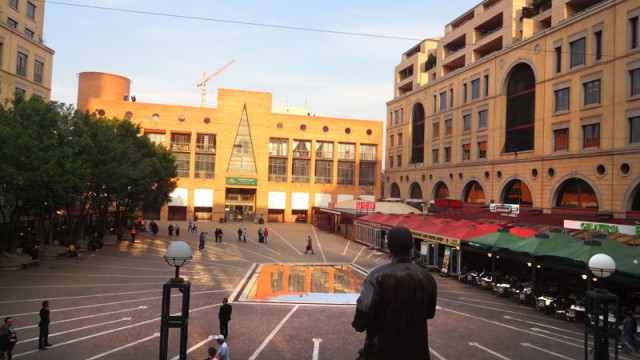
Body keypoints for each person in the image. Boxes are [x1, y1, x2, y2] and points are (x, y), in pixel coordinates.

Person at [352, 226, 437, 360]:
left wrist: (359, 325)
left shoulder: (376, 275)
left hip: (380, 350)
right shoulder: (427, 277)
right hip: (416, 352)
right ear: (411, 246)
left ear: (388, 246)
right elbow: (429, 313)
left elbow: (364, 309)